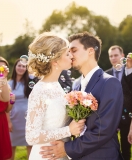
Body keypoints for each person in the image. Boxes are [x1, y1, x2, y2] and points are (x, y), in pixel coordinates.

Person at [40, 31, 124, 160]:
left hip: (102, 155)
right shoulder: (75, 84)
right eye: (68, 52)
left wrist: (67, 148)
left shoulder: (109, 83)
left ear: (90, 51)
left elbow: (103, 130)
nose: (69, 55)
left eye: (73, 50)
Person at [25, 32, 85, 160]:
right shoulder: (40, 91)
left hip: (60, 153)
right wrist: (68, 131)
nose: (71, 56)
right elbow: (32, 136)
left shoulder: (56, 85)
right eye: (67, 53)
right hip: (45, 154)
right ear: (55, 60)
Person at [105, 45, 132, 160]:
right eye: (111, 56)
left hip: (127, 115)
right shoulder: (105, 75)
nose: (113, 58)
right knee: (112, 147)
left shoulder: (130, 71)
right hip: (111, 117)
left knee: (126, 148)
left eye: (116, 55)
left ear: (122, 56)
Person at [8, 59, 33, 160]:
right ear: (15, 67)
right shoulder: (9, 83)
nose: (21, 68)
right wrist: (8, 121)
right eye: (19, 65)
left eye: (24, 66)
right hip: (13, 118)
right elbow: (6, 104)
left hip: (27, 118)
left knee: (30, 144)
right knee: (11, 145)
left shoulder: (30, 82)